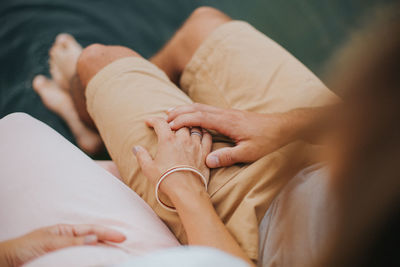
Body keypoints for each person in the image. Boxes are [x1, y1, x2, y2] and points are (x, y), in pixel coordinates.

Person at [27, 7, 339, 264]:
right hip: (327, 147)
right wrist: (282, 125)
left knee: (97, 60)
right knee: (202, 25)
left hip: (250, 225)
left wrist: (186, 189)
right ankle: (109, 114)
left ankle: (89, 119)